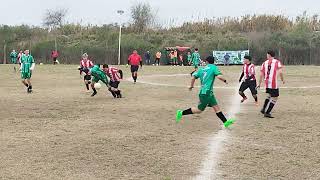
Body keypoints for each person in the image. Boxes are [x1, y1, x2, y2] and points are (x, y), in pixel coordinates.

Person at [176, 56, 235, 128]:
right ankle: (181, 112)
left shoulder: (202, 69)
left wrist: (191, 86)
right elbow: (219, 77)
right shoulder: (213, 67)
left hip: (207, 92)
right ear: (213, 62)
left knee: (216, 108)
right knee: (199, 110)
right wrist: (225, 80)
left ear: (206, 61)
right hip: (206, 93)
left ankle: (225, 122)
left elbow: (193, 77)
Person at [257, 50, 285, 118]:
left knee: (269, 95)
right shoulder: (277, 62)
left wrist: (259, 83)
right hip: (273, 83)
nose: (266, 56)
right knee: (275, 98)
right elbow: (280, 72)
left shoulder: (264, 63)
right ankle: (267, 112)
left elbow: (261, 74)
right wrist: (282, 79)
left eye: (267, 55)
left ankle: (263, 109)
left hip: (267, 83)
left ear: (269, 55)